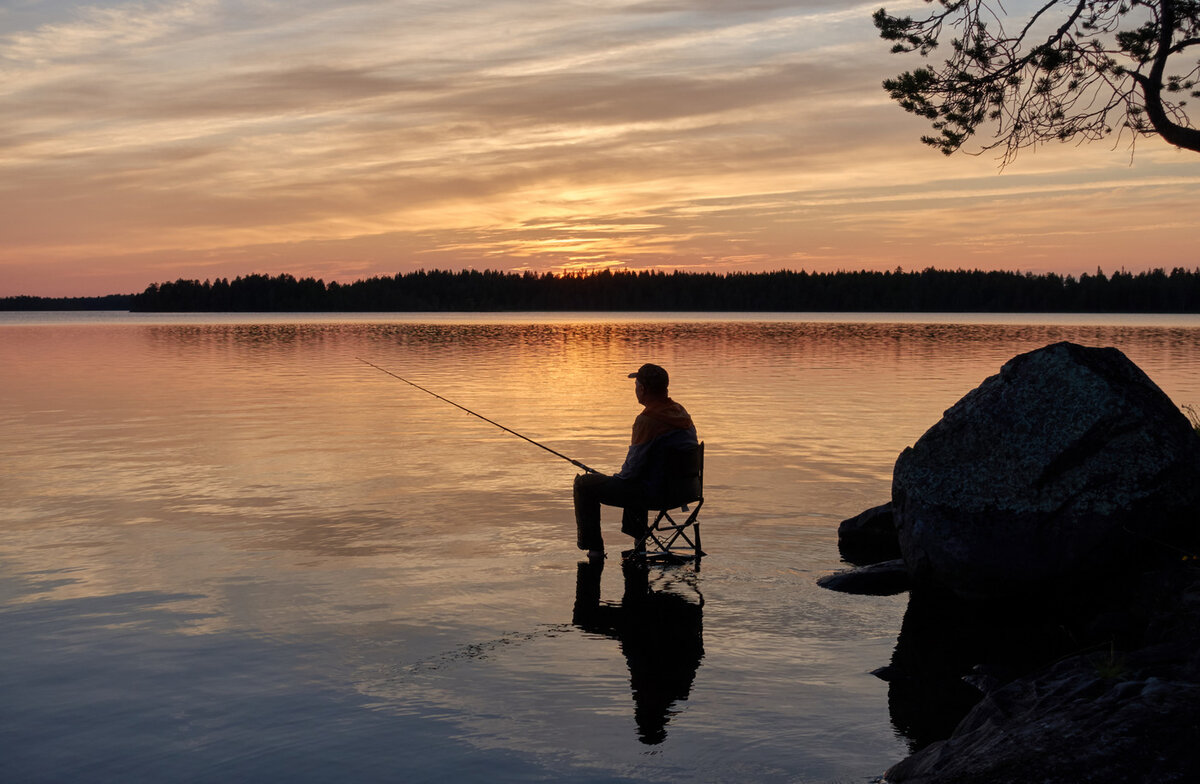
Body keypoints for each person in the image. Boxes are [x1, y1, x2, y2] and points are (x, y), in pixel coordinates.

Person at [574, 363, 698, 559]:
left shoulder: (647, 421)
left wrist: (610, 478)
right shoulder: (680, 413)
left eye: (637, 385)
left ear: (643, 389)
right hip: (684, 492)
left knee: (584, 484)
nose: (635, 390)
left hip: (656, 495)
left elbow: (630, 473)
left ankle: (595, 551)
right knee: (639, 478)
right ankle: (639, 543)